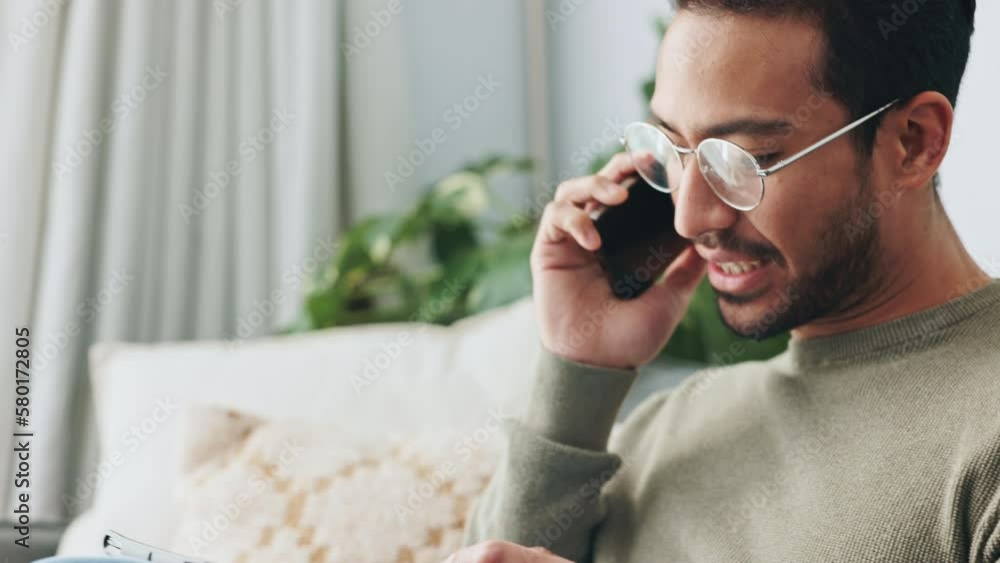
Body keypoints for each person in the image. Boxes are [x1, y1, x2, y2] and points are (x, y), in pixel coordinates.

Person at [450, 0, 1000, 562]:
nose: (690, 218)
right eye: (672, 148)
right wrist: (578, 371)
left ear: (914, 141)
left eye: (746, 160)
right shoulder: (669, 429)